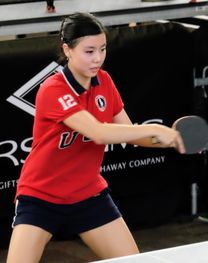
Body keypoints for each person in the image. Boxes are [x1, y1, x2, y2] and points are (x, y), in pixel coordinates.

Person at [6, 12, 185, 262]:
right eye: (89, 51)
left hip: (88, 196)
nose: (98, 58)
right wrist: (155, 130)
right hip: (40, 198)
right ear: (67, 50)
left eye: (102, 49)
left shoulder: (105, 81)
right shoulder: (52, 89)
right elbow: (98, 132)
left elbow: (130, 133)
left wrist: (170, 139)